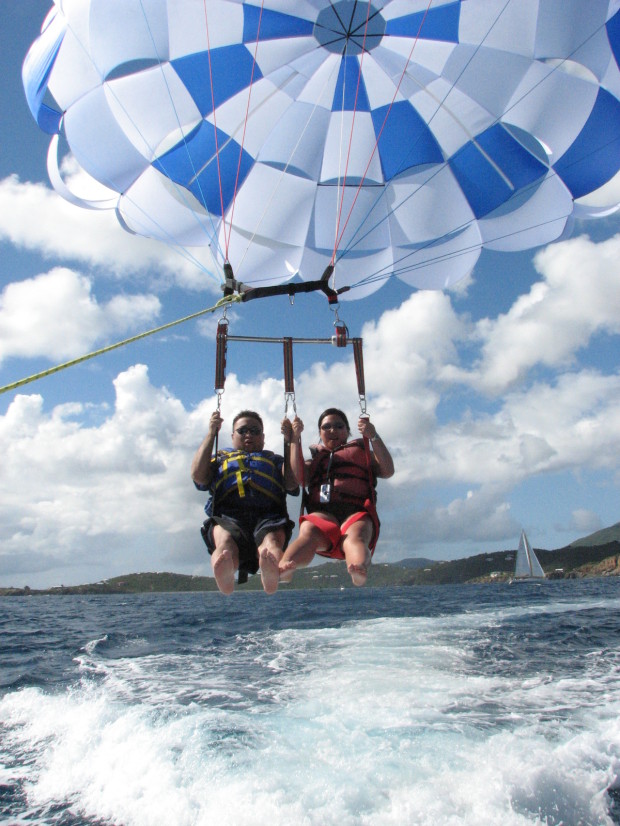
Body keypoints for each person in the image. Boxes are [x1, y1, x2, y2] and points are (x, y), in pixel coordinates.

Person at [278, 408, 394, 587]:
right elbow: (297, 478)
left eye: (339, 426)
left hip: (356, 512)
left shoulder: (363, 455)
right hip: (323, 515)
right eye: (327, 427)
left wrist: (373, 436)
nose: (333, 430)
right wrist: (293, 439)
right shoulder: (314, 461)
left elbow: (387, 470)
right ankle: (285, 567)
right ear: (319, 433)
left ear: (347, 431)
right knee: (308, 531)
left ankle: (358, 568)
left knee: (355, 537)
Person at [191, 410, 298, 595]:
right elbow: (198, 476)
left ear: (263, 437)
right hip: (228, 516)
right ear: (232, 436)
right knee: (224, 542)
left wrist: (292, 440)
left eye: (255, 431)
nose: (249, 434)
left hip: (268, 516)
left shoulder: (274, 460)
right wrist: (211, 433)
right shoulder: (220, 458)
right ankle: (224, 568)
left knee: (271, 541)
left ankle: (271, 569)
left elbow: (293, 482)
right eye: (242, 431)